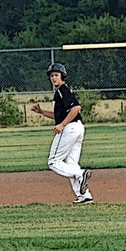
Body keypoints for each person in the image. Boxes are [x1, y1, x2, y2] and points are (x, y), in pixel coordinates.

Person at [31, 62, 93, 205]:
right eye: (51, 76)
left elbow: (76, 108)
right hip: (77, 128)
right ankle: (84, 196)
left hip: (70, 128)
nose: (53, 78)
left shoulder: (62, 91)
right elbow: (59, 116)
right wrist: (41, 112)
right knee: (71, 164)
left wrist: (62, 125)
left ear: (62, 76)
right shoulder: (61, 92)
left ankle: (81, 174)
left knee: (53, 161)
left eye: (56, 75)